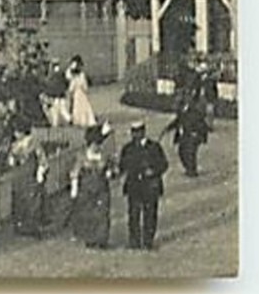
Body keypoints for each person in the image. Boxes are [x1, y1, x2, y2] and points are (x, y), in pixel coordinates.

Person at [119, 120, 168, 250]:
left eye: (138, 132)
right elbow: (122, 166)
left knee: (150, 214)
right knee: (133, 215)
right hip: (134, 186)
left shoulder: (154, 147)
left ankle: (148, 241)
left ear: (143, 132)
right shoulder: (127, 148)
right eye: (133, 132)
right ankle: (134, 241)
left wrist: (153, 171)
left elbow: (163, 164)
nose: (135, 135)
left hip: (150, 186)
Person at [69, 123, 116, 249]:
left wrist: (110, 173)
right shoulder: (82, 156)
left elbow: (113, 169)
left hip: (102, 188)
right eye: (94, 144)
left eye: (98, 144)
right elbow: (75, 173)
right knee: (88, 214)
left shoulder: (105, 156)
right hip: (86, 189)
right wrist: (74, 188)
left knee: (102, 213)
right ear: (89, 143)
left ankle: (102, 240)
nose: (96, 147)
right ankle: (90, 239)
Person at [8, 122, 48, 236]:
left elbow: (42, 159)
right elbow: (11, 159)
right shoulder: (14, 145)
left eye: (17, 131)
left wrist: (40, 171)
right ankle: (21, 226)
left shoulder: (34, 143)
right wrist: (12, 160)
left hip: (31, 175)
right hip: (19, 177)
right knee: (19, 201)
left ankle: (33, 227)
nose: (15, 134)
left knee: (33, 201)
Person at [164, 95, 211, 176]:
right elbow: (177, 121)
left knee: (190, 153)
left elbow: (202, 124)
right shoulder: (182, 111)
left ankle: (192, 170)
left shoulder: (194, 112)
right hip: (184, 136)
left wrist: (198, 135)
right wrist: (168, 129)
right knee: (181, 151)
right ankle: (189, 168)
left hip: (192, 136)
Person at [65, 57, 95, 127]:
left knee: (76, 107)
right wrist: (86, 91)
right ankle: (85, 119)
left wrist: (71, 92)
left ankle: (77, 120)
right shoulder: (82, 76)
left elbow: (71, 88)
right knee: (84, 106)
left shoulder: (74, 78)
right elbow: (85, 86)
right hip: (82, 93)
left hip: (76, 94)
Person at [42, 62, 70, 127]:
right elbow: (66, 83)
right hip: (60, 95)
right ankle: (67, 120)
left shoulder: (51, 76)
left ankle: (58, 123)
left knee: (56, 110)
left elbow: (49, 86)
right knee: (61, 109)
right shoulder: (61, 74)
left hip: (55, 96)